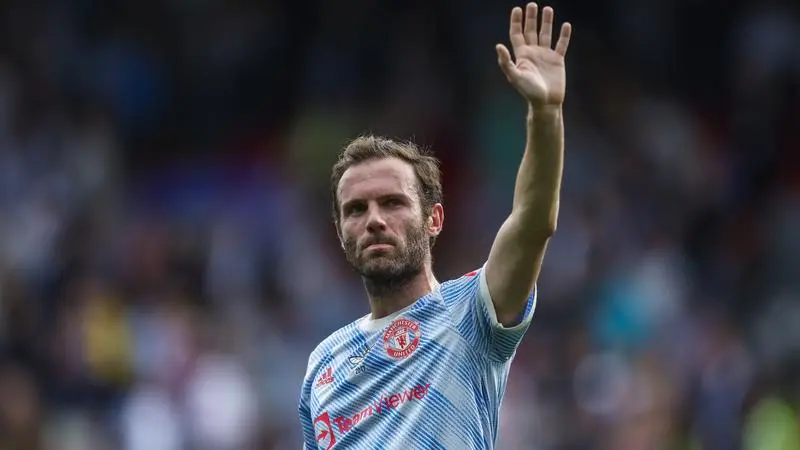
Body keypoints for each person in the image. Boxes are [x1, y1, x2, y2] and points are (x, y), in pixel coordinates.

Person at [298, 3, 572, 449]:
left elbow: (534, 220)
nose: (374, 220)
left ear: (434, 219)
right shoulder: (323, 364)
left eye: (392, 203)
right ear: (340, 232)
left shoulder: (473, 312)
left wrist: (545, 114)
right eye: (356, 209)